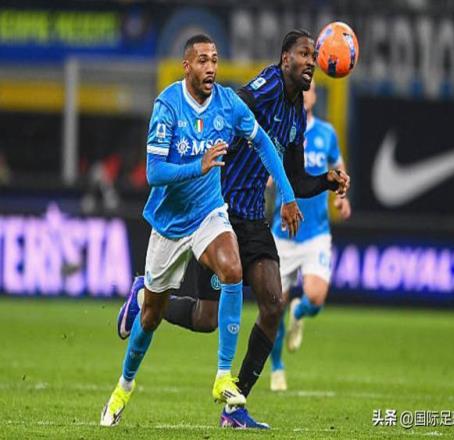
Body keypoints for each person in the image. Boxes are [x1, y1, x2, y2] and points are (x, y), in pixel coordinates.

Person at [117, 29, 350, 429]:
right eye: (304, 54)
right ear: (285, 60)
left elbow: (295, 177)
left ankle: (234, 407)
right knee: (206, 319)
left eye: (314, 55)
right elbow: (231, 107)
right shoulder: (267, 86)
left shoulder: (296, 115)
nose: (311, 61)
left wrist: (326, 181)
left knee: (273, 304)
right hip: (218, 212)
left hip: (253, 219)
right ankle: (145, 298)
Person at [269, 79, 352, 392]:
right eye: (301, 88)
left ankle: (299, 311)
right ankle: (277, 367)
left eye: (311, 89)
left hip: (316, 231)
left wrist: (342, 196)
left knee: (315, 297)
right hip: (283, 233)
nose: (305, 93)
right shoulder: (280, 130)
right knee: (272, 307)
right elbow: (266, 167)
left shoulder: (326, 133)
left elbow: (339, 169)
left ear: (315, 96)